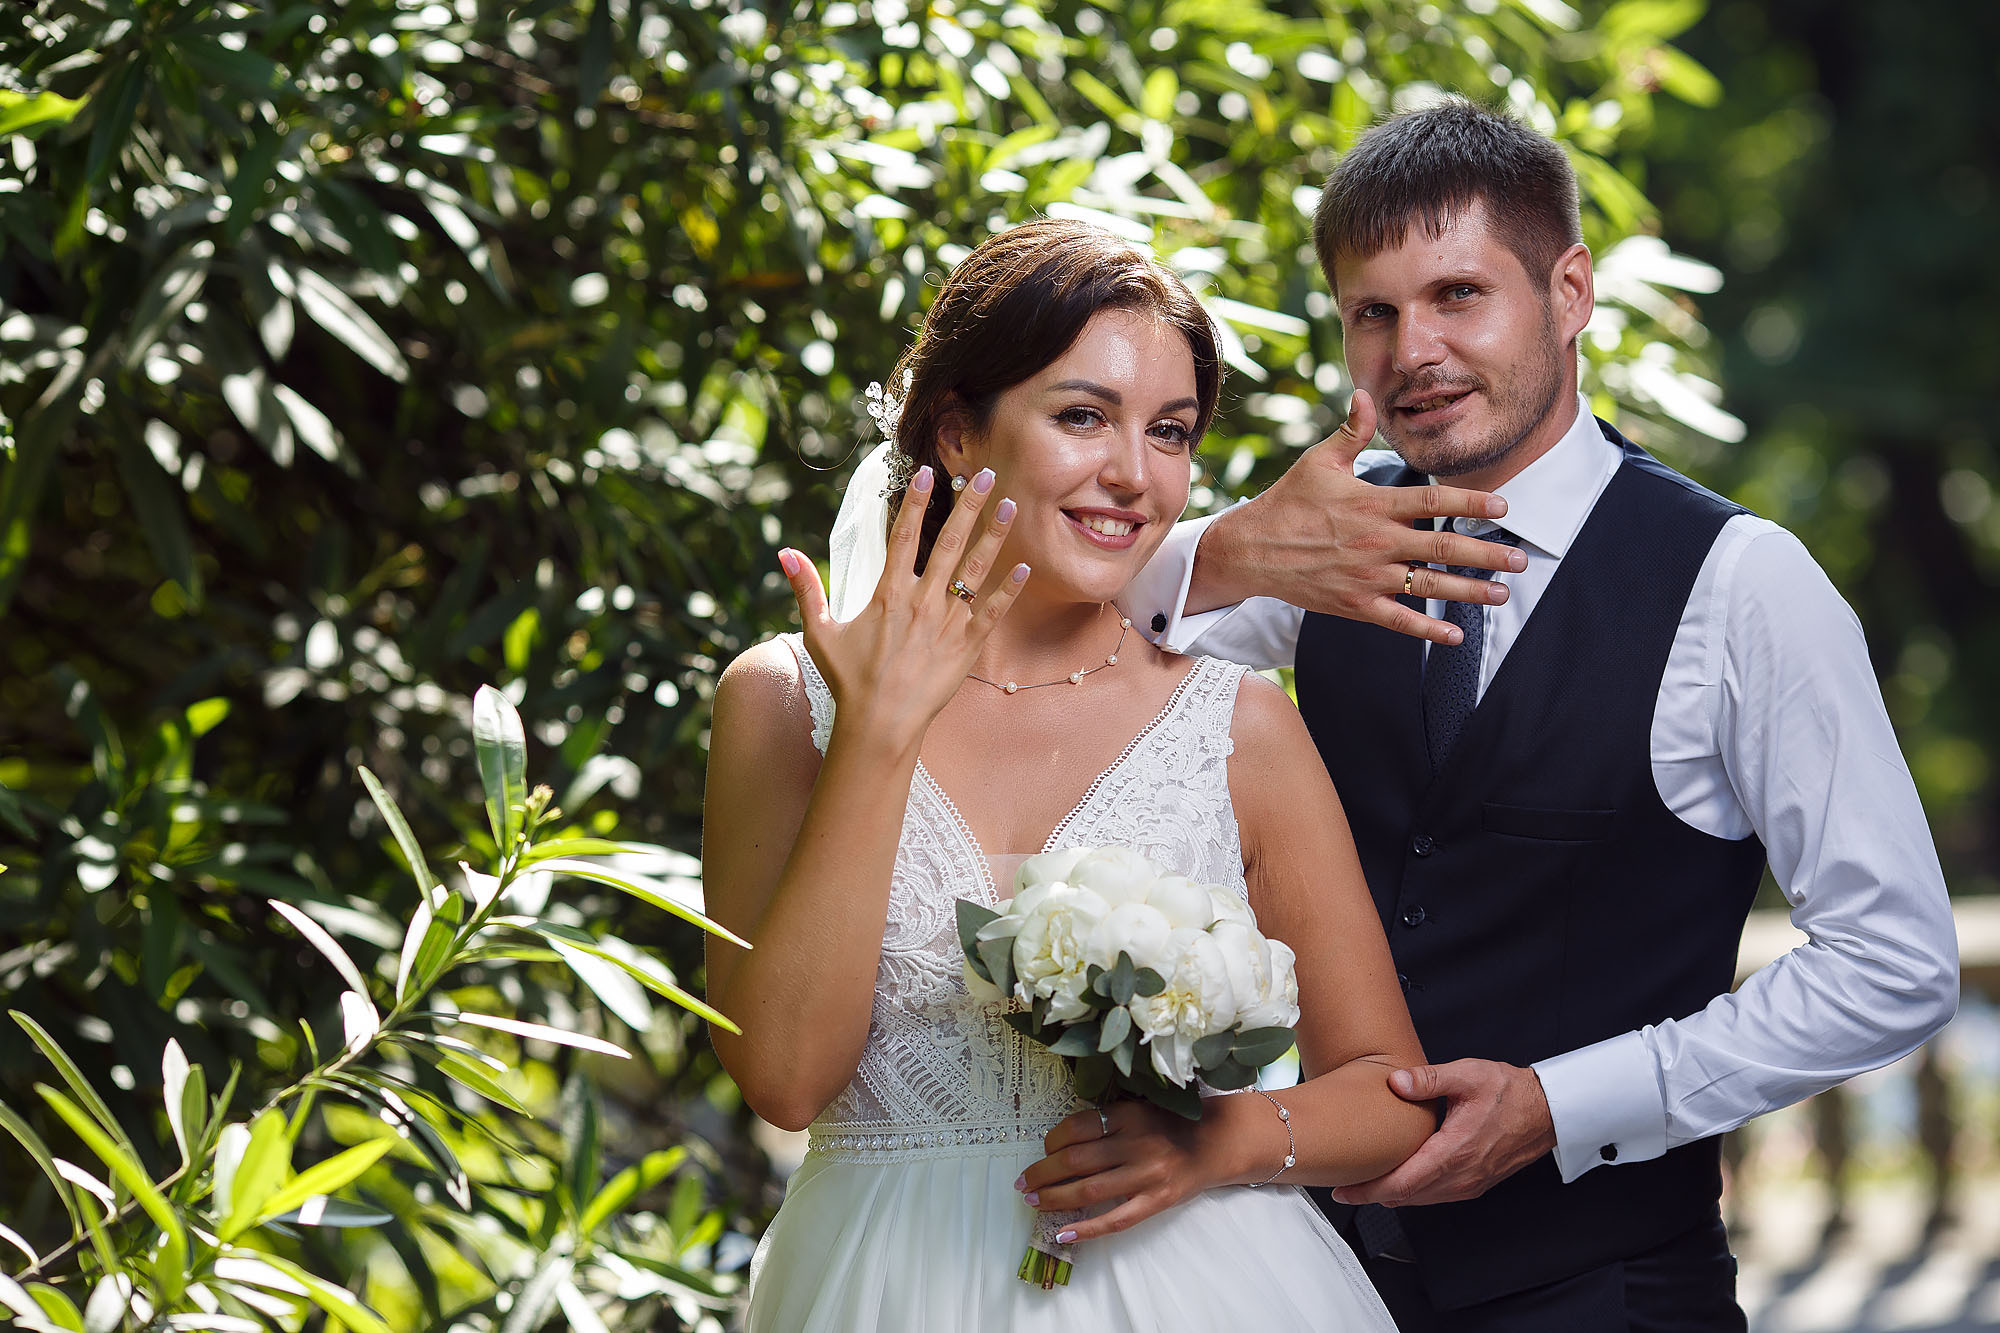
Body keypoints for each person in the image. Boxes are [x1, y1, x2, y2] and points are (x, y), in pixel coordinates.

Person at [1122, 98, 1960, 1330]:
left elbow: (1893, 961)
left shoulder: (1740, 584)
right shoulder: (1324, 542)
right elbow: (1054, 639)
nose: (1411, 349)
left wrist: (1562, 1106)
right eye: (1372, 311)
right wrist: (1237, 552)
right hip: (1304, 1284)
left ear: (1568, 291)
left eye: (1458, 294)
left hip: (1608, 1293)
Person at [701, 218, 1440, 1331]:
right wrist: (877, 734)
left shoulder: (1237, 725)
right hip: (886, 1288)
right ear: (956, 432)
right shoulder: (780, 701)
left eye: (1170, 431)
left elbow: (1388, 1092)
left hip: (1203, 1288)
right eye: (1082, 416)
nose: (1133, 477)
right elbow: (786, 1079)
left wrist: (1219, 1138)